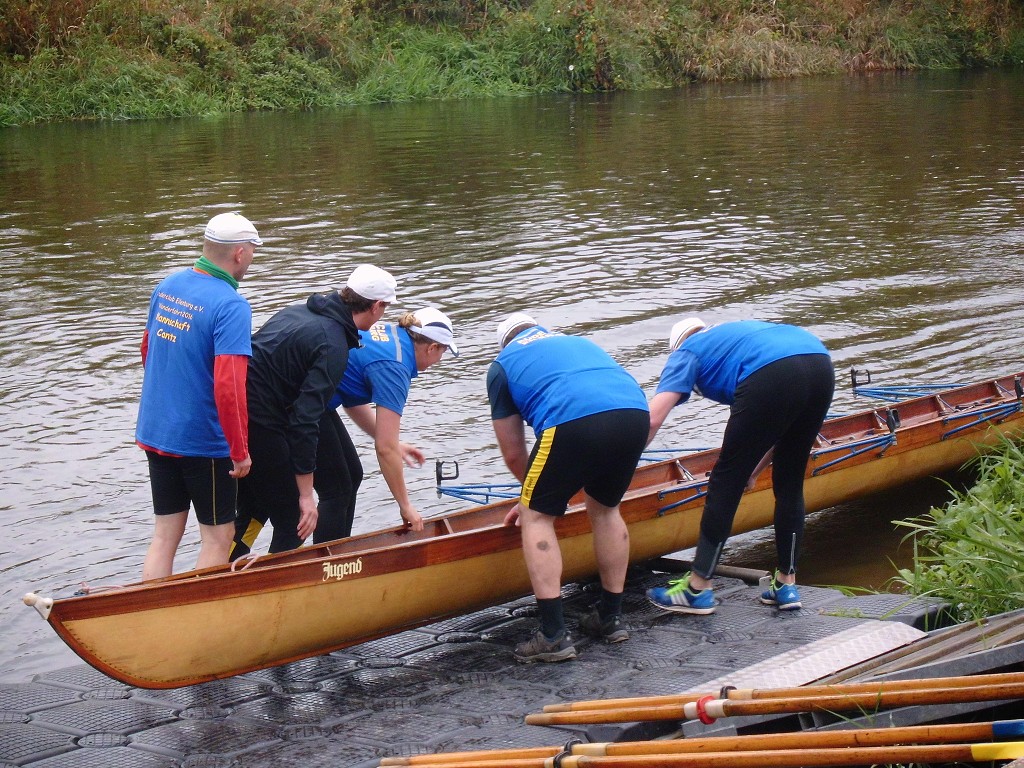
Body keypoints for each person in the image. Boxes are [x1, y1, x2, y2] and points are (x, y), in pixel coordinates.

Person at [488, 313, 650, 663]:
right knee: (605, 509)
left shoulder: (502, 365)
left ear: (504, 343)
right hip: (635, 413)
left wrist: (532, 499)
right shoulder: (574, 340)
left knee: (536, 518)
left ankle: (553, 636)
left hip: (572, 417)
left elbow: (514, 453)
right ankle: (610, 618)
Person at [645, 318, 834, 614]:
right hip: (819, 362)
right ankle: (787, 584)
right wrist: (753, 471)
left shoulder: (686, 352)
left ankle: (698, 588)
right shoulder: (728, 338)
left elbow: (652, 420)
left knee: (724, 480)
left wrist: (617, 467)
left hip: (772, 371)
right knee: (789, 481)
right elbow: (779, 429)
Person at [230, 264, 398, 558]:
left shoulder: (300, 312)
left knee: (260, 502)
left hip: (236, 411)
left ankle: (224, 567)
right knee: (297, 519)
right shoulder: (332, 344)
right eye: (385, 308)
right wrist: (307, 495)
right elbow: (305, 421)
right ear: (376, 306)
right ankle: (279, 582)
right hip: (259, 421)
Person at [136, 211, 261, 580]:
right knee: (219, 537)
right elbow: (229, 387)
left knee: (164, 535)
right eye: (253, 251)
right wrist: (239, 450)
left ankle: (151, 609)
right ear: (239, 253)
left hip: (157, 430)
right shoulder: (231, 305)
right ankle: (200, 613)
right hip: (203, 442)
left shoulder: (168, 285)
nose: (252, 259)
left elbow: (147, 350)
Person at [313, 307, 460, 541]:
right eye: (442, 352)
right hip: (302, 404)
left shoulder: (393, 335)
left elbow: (351, 400)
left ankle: (337, 549)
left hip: (316, 398)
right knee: (338, 489)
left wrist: (393, 443)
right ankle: (326, 559)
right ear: (432, 348)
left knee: (352, 475)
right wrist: (405, 505)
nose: (439, 361)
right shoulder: (395, 366)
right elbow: (384, 449)